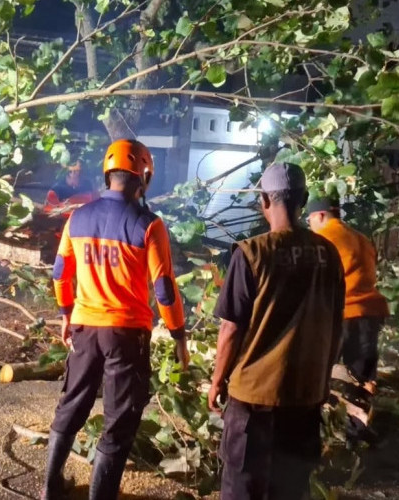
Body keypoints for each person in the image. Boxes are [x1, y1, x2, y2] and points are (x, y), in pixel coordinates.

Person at [43, 139, 190, 500]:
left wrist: (65, 314)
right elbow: (165, 290)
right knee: (119, 418)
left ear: (107, 175)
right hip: (126, 334)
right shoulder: (149, 225)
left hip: (84, 328)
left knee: (72, 404)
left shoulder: (78, 217)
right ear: (144, 177)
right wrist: (178, 334)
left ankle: (50, 488)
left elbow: (60, 273)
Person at [208, 163, 345, 500]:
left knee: (243, 487)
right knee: (290, 490)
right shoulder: (328, 254)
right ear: (304, 199)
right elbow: (337, 325)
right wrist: (323, 380)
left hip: (254, 401)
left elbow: (230, 329)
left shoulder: (251, 253)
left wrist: (217, 380)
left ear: (264, 202)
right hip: (304, 397)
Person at [307, 197, 389, 442]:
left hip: (342, 315)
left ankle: (317, 433)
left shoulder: (324, 239)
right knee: (360, 379)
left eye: (309, 219)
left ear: (320, 216)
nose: (310, 224)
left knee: (317, 373)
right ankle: (356, 435)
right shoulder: (362, 239)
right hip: (370, 312)